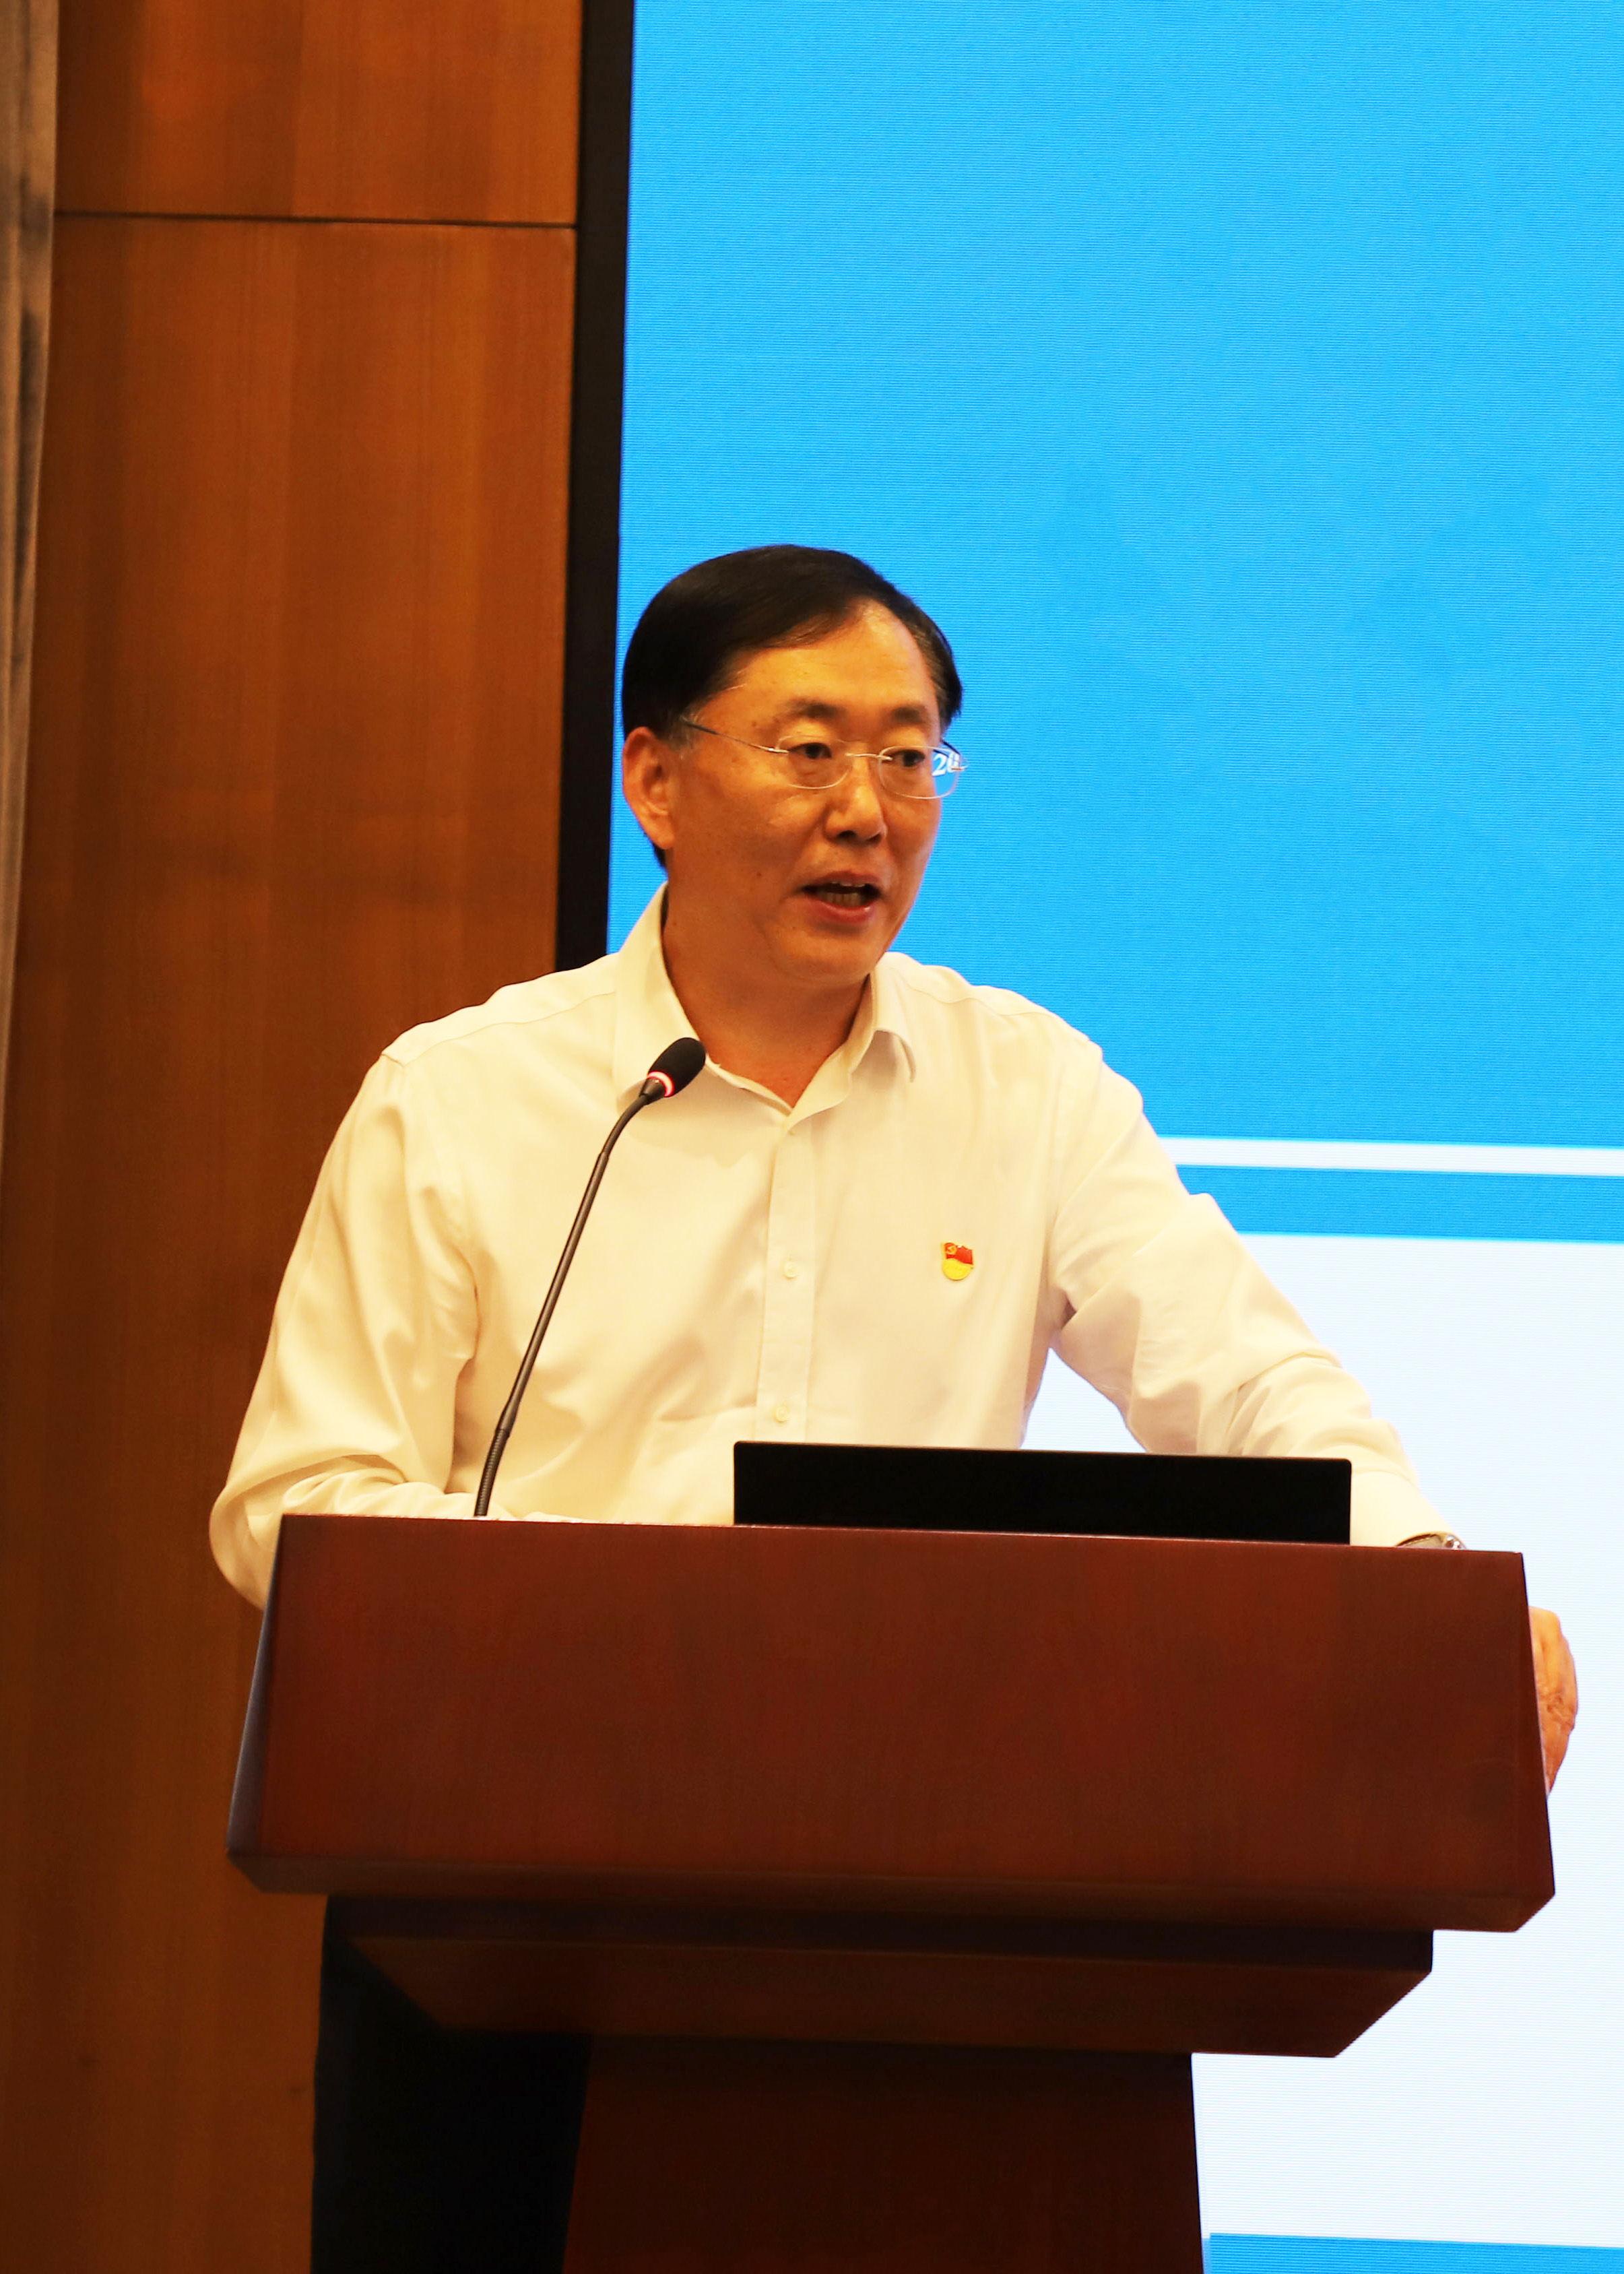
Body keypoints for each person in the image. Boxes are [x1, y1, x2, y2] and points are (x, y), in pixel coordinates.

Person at [211, 544, 1576, 2270]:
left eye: (910, 757)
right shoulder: (466, 1096)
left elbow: (1241, 1372)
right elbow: (303, 1497)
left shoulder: (1026, 1088)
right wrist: (580, 1625)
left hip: (945, 1921)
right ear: (655, 779)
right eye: (809, 748)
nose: (867, 808)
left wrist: (1427, 1582)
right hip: (509, 1914)